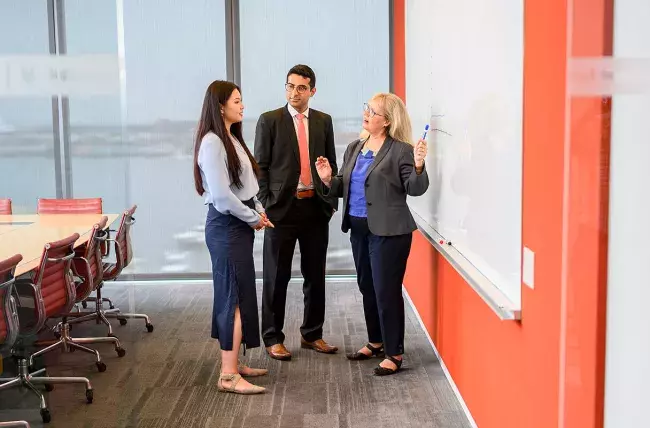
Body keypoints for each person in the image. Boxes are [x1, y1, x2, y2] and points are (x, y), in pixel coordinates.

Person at [315, 93, 429, 376]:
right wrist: (329, 178)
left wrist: (418, 165)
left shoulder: (401, 150)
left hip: (389, 232)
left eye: (373, 111)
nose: (366, 113)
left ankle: (394, 353)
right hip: (358, 228)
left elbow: (415, 188)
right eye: (366, 107)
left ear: (387, 121)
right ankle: (376, 341)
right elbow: (344, 183)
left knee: (386, 291)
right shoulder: (355, 146)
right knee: (367, 286)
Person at [254, 64, 339, 361]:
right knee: (276, 277)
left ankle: (312, 334)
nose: (294, 92)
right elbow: (260, 168)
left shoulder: (323, 121)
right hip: (282, 211)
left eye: (301, 88)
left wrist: (329, 203)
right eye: (290, 86)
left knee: (315, 275)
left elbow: (331, 165)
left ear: (312, 91)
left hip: (315, 208)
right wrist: (266, 203)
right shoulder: (270, 121)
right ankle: (272, 337)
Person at [193, 80, 273, 394]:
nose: (242, 106)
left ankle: (235, 364)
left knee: (238, 296)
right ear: (220, 105)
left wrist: (259, 211)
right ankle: (227, 376)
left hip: (238, 226)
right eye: (237, 100)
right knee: (232, 300)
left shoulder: (230, 137)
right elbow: (223, 198)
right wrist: (255, 218)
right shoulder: (212, 142)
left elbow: (246, 187)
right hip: (226, 228)